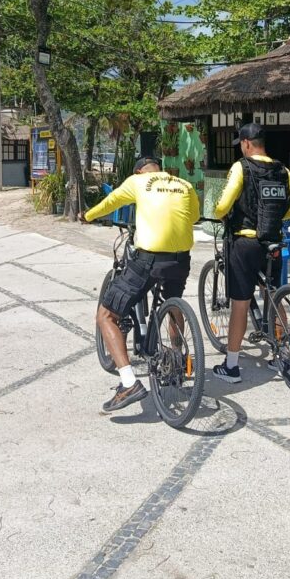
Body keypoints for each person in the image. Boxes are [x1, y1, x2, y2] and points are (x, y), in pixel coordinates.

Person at [80, 157, 200, 413]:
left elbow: (111, 202)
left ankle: (128, 383)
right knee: (172, 301)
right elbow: (195, 216)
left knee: (106, 315)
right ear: (160, 168)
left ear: (138, 170)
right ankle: (176, 358)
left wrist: (88, 215)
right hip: (180, 258)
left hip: (149, 259)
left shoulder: (138, 181)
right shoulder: (182, 184)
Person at [212, 123, 290, 384]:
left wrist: (221, 212)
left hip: (245, 243)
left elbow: (222, 207)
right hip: (272, 242)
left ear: (247, 143)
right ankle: (282, 357)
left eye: (241, 143)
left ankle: (231, 366)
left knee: (240, 302)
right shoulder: (282, 170)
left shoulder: (242, 167)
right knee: (274, 296)